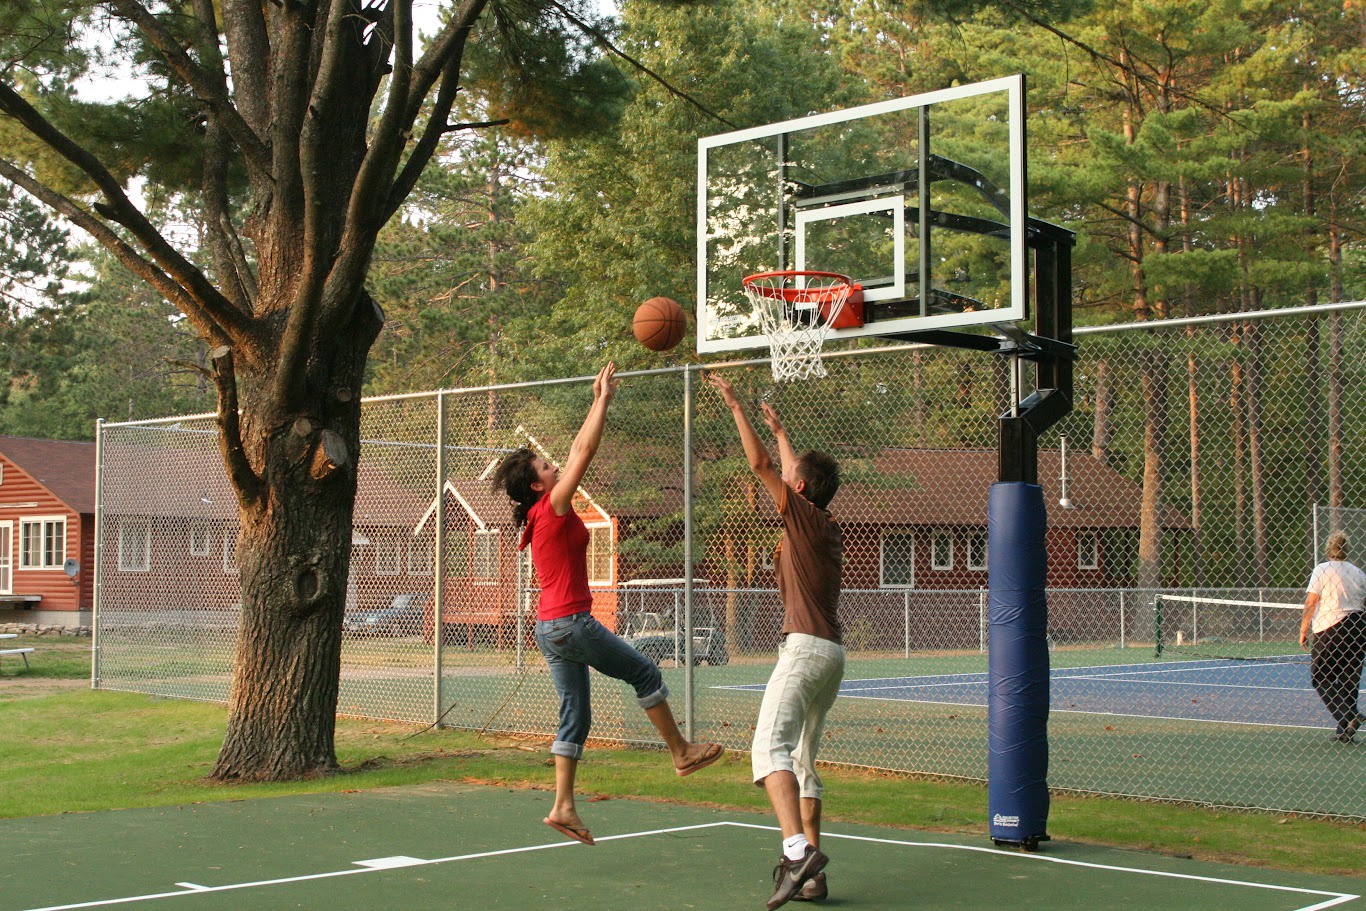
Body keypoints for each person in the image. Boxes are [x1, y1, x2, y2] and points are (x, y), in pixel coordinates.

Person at [492, 361, 724, 847]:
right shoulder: (553, 505)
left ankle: (562, 805)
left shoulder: (539, 512)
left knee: (575, 713)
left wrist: (599, 399)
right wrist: (601, 400)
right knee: (646, 674)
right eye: (547, 468)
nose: (556, 466)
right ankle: (681, 752)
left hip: (549, 629)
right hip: (572, 625)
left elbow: (576, 449)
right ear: (539, 484)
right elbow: (585, 448)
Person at [705, 372, 845, 910]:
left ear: (800, 490)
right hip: (831, 653)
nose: (784, 480)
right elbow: (785, 468)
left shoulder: (803, 519)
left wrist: (736, 406)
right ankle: (814, 878)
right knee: (803, 761)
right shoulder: (821, 522)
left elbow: (762, 467)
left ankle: (796, 853)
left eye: (794, 479)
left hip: (806, 648)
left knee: (768, 749)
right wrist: (783, 431)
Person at [1300, 531, 1366, 744]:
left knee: (1320, 675)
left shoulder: (1322, 570)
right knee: (1349, 677)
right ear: (1347, 549)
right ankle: (1344, 730)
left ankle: (1347, 716)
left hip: (1330, 628)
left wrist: (1303, 630)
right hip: (1357, 628)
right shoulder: (1358, 573)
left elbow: (1311, 602)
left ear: (1328, 549)